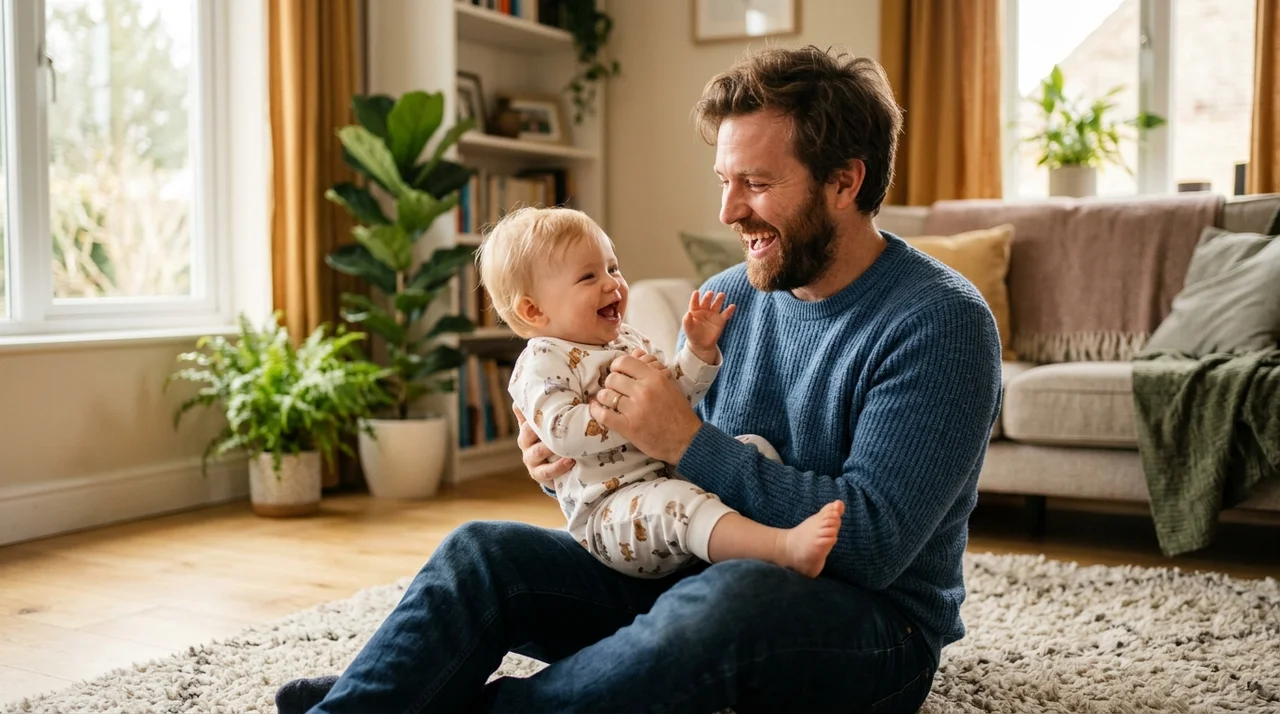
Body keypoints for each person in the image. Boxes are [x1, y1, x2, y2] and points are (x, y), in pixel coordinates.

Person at [275, 45, 1001, 714]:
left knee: (731, 597)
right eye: (723, 181)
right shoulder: (731, 298)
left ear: (845, 180)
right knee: (483, 552)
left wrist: (687, 442)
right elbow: (649, 466)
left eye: (756, 183)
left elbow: (870, 544)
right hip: (693, 572)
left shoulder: (941, 322)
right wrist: (567, 459)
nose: (727, 211)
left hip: (874, 631)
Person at [476, 205, 846, 580]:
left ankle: (764, 549)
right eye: (588, 276)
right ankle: (781, 549)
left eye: (613, 267)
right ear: (534, 310)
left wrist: (698, 353)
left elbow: (675, 402)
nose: (612, 283)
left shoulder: (626, 338)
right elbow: (560, 432)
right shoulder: (541, 360)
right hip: (610, 514)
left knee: (754, 447)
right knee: (675, 504)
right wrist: (635, 413)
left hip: (665, 478)